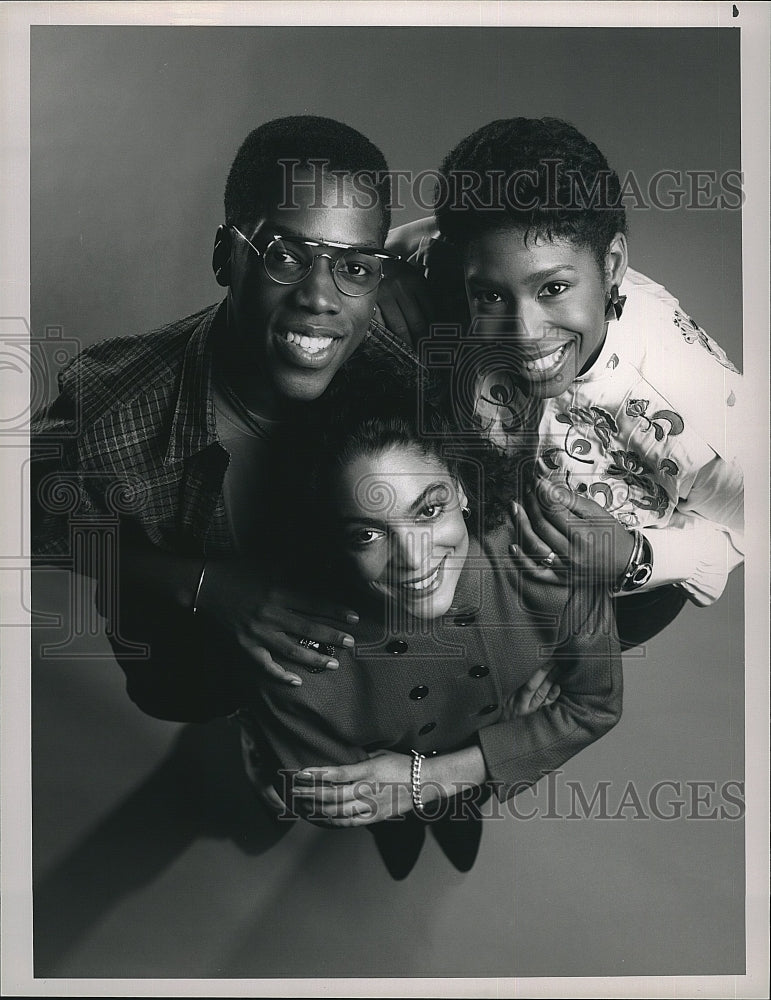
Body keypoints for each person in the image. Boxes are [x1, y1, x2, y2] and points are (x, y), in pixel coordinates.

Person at [30, 114, 419, 718]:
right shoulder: (117, 403)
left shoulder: (406, 384)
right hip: (189, 667)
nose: (319, 297)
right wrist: (202, 586)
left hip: (364, 690)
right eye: (287, 256)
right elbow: (27, 519)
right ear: (224, 256)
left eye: (354, 267)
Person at [236, 356, 623, 878]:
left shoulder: (542, 563)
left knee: (458, 810)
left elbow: (597, 706)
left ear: (462, 486)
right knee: (389, 826)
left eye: (428, 510)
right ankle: (402, 829)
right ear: (332, 540)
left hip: (476, 772)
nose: (415, 560)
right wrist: (518, 736)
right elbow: (326, 802)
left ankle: (450, 814)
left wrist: (433, 778)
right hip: (473, 763)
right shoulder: (299, 652)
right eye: (367, 534)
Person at [386, 117, 744, 647]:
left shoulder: (698, 408)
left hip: (613, 592)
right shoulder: (467, 250)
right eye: (489, 295)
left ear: (613, 264)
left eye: (553, 288)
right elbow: (415, 244)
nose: (523, 334)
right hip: (495, 542)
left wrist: (635, 558)